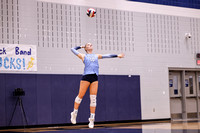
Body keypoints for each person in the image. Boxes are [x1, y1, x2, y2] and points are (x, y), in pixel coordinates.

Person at [70, 43, 124, 128]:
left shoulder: (96, 56)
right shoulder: (83, 56)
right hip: (86, 77)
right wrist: (81, 46)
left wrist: (117, 55)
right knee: (80, 96)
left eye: (91, 44)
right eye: (88, 45)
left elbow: (107, 55)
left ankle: (91, 120)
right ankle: (74, 113)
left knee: (93, 99)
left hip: (95, 77)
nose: (90, 45)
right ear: (86, 48)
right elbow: (72, 49)